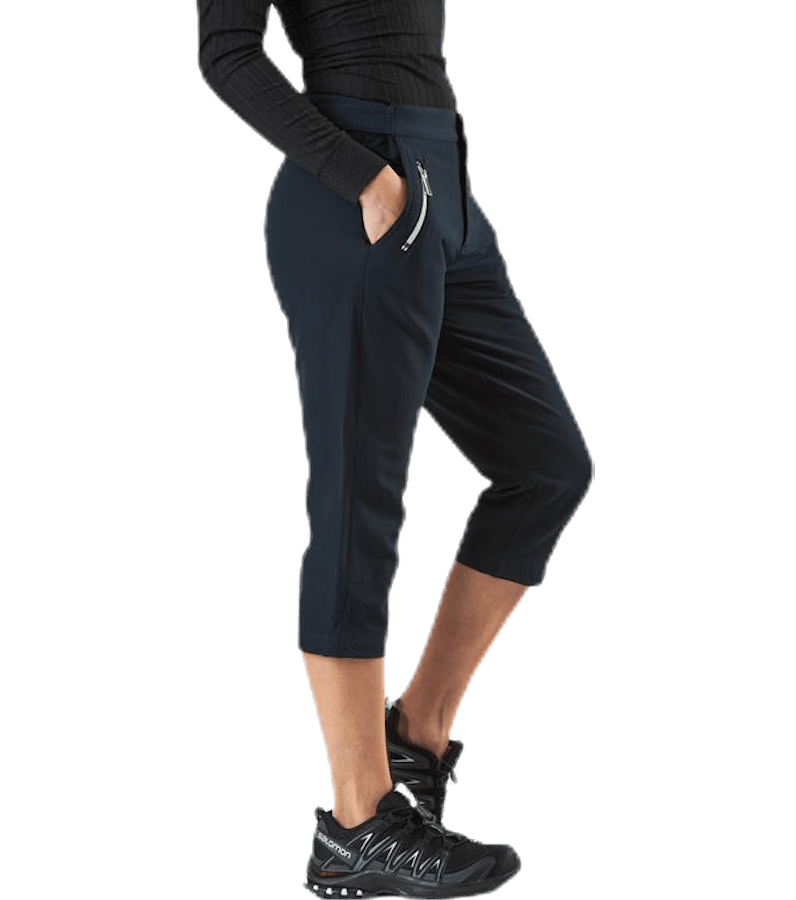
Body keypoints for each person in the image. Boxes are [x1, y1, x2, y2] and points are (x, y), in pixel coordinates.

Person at [196, 2, 595, 897]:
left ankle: (414, 739)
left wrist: (420, 186)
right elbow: (224, 53)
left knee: (547, 467)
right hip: (359, 194)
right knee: (359, 503)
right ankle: (356, 821)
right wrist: (365, 178)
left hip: (444, 187)